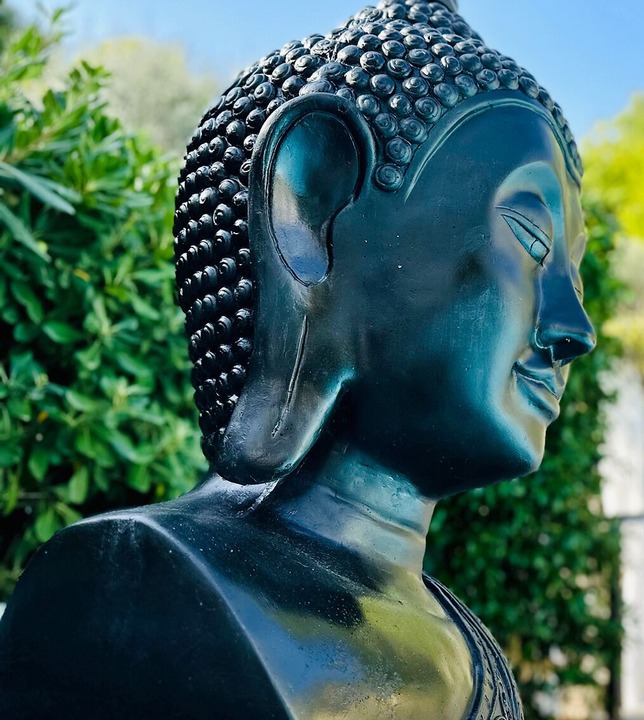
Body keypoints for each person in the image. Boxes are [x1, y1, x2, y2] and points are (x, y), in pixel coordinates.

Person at [0, 2, 591, 718]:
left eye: (577, 272)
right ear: (313, 220)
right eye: (530, 236)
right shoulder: (133, 587)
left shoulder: (465, 642)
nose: (575, 327)